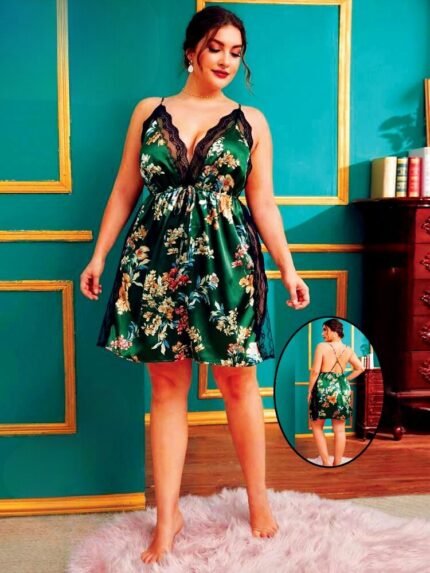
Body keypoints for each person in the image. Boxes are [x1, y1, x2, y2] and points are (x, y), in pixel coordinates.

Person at [80, 5, 310, 565]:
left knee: (238, 385)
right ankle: (167, 518)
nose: (226, 60)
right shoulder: (148, 112)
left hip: (229, 266)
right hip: (155, 265)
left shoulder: (252, 122)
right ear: (191, 51)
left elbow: (263, 203)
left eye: (236, 51)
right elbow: (124, 190)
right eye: (215, 47)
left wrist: (288, 267)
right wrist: (99, 254)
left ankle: (258, 501)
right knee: (166, 389)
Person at [307, 319, 365, 466]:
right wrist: (344, 379)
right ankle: (338, 462)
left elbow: (315, 372)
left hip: (323, 387)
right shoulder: (348, 349)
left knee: (317, 426)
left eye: (325, 330)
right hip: (341, 389)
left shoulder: (321, 347)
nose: (322, 333)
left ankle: (326, 462)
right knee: (339, 429)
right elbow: (360, 368)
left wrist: (310, 391)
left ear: (334, 331)